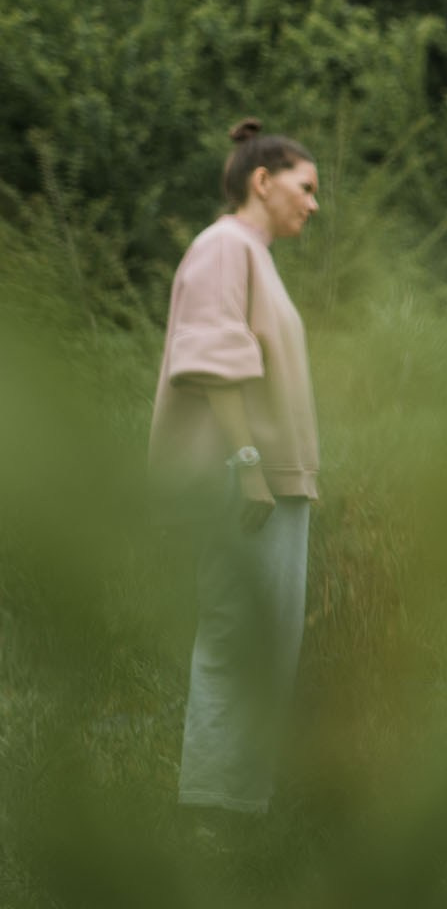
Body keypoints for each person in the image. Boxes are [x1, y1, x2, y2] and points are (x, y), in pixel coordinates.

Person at [150, 119, 323, 819]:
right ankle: (214, 815)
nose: (313, 205)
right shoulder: (224, 246)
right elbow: (211, 358)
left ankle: (239, 805)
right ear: (263, 180)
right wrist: (249, 463)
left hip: (270, 479)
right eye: (305, 188)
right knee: (236, 638)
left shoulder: (253, 254)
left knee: (268, 640)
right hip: (242, 479)